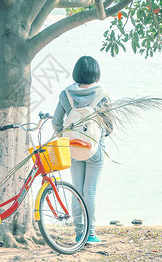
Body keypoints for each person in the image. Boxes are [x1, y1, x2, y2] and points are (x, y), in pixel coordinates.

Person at [52, 55, 113, 243]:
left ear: (76, 72)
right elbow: (110, 125)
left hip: (73, 148)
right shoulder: (102, 95)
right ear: (96, 73)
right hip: (95, 150)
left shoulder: (66, 94)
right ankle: (91, 233)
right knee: (90, 192)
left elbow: (56, 122)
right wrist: (99, 137)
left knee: (77, 190)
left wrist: (65, 136)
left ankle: (80, 233)